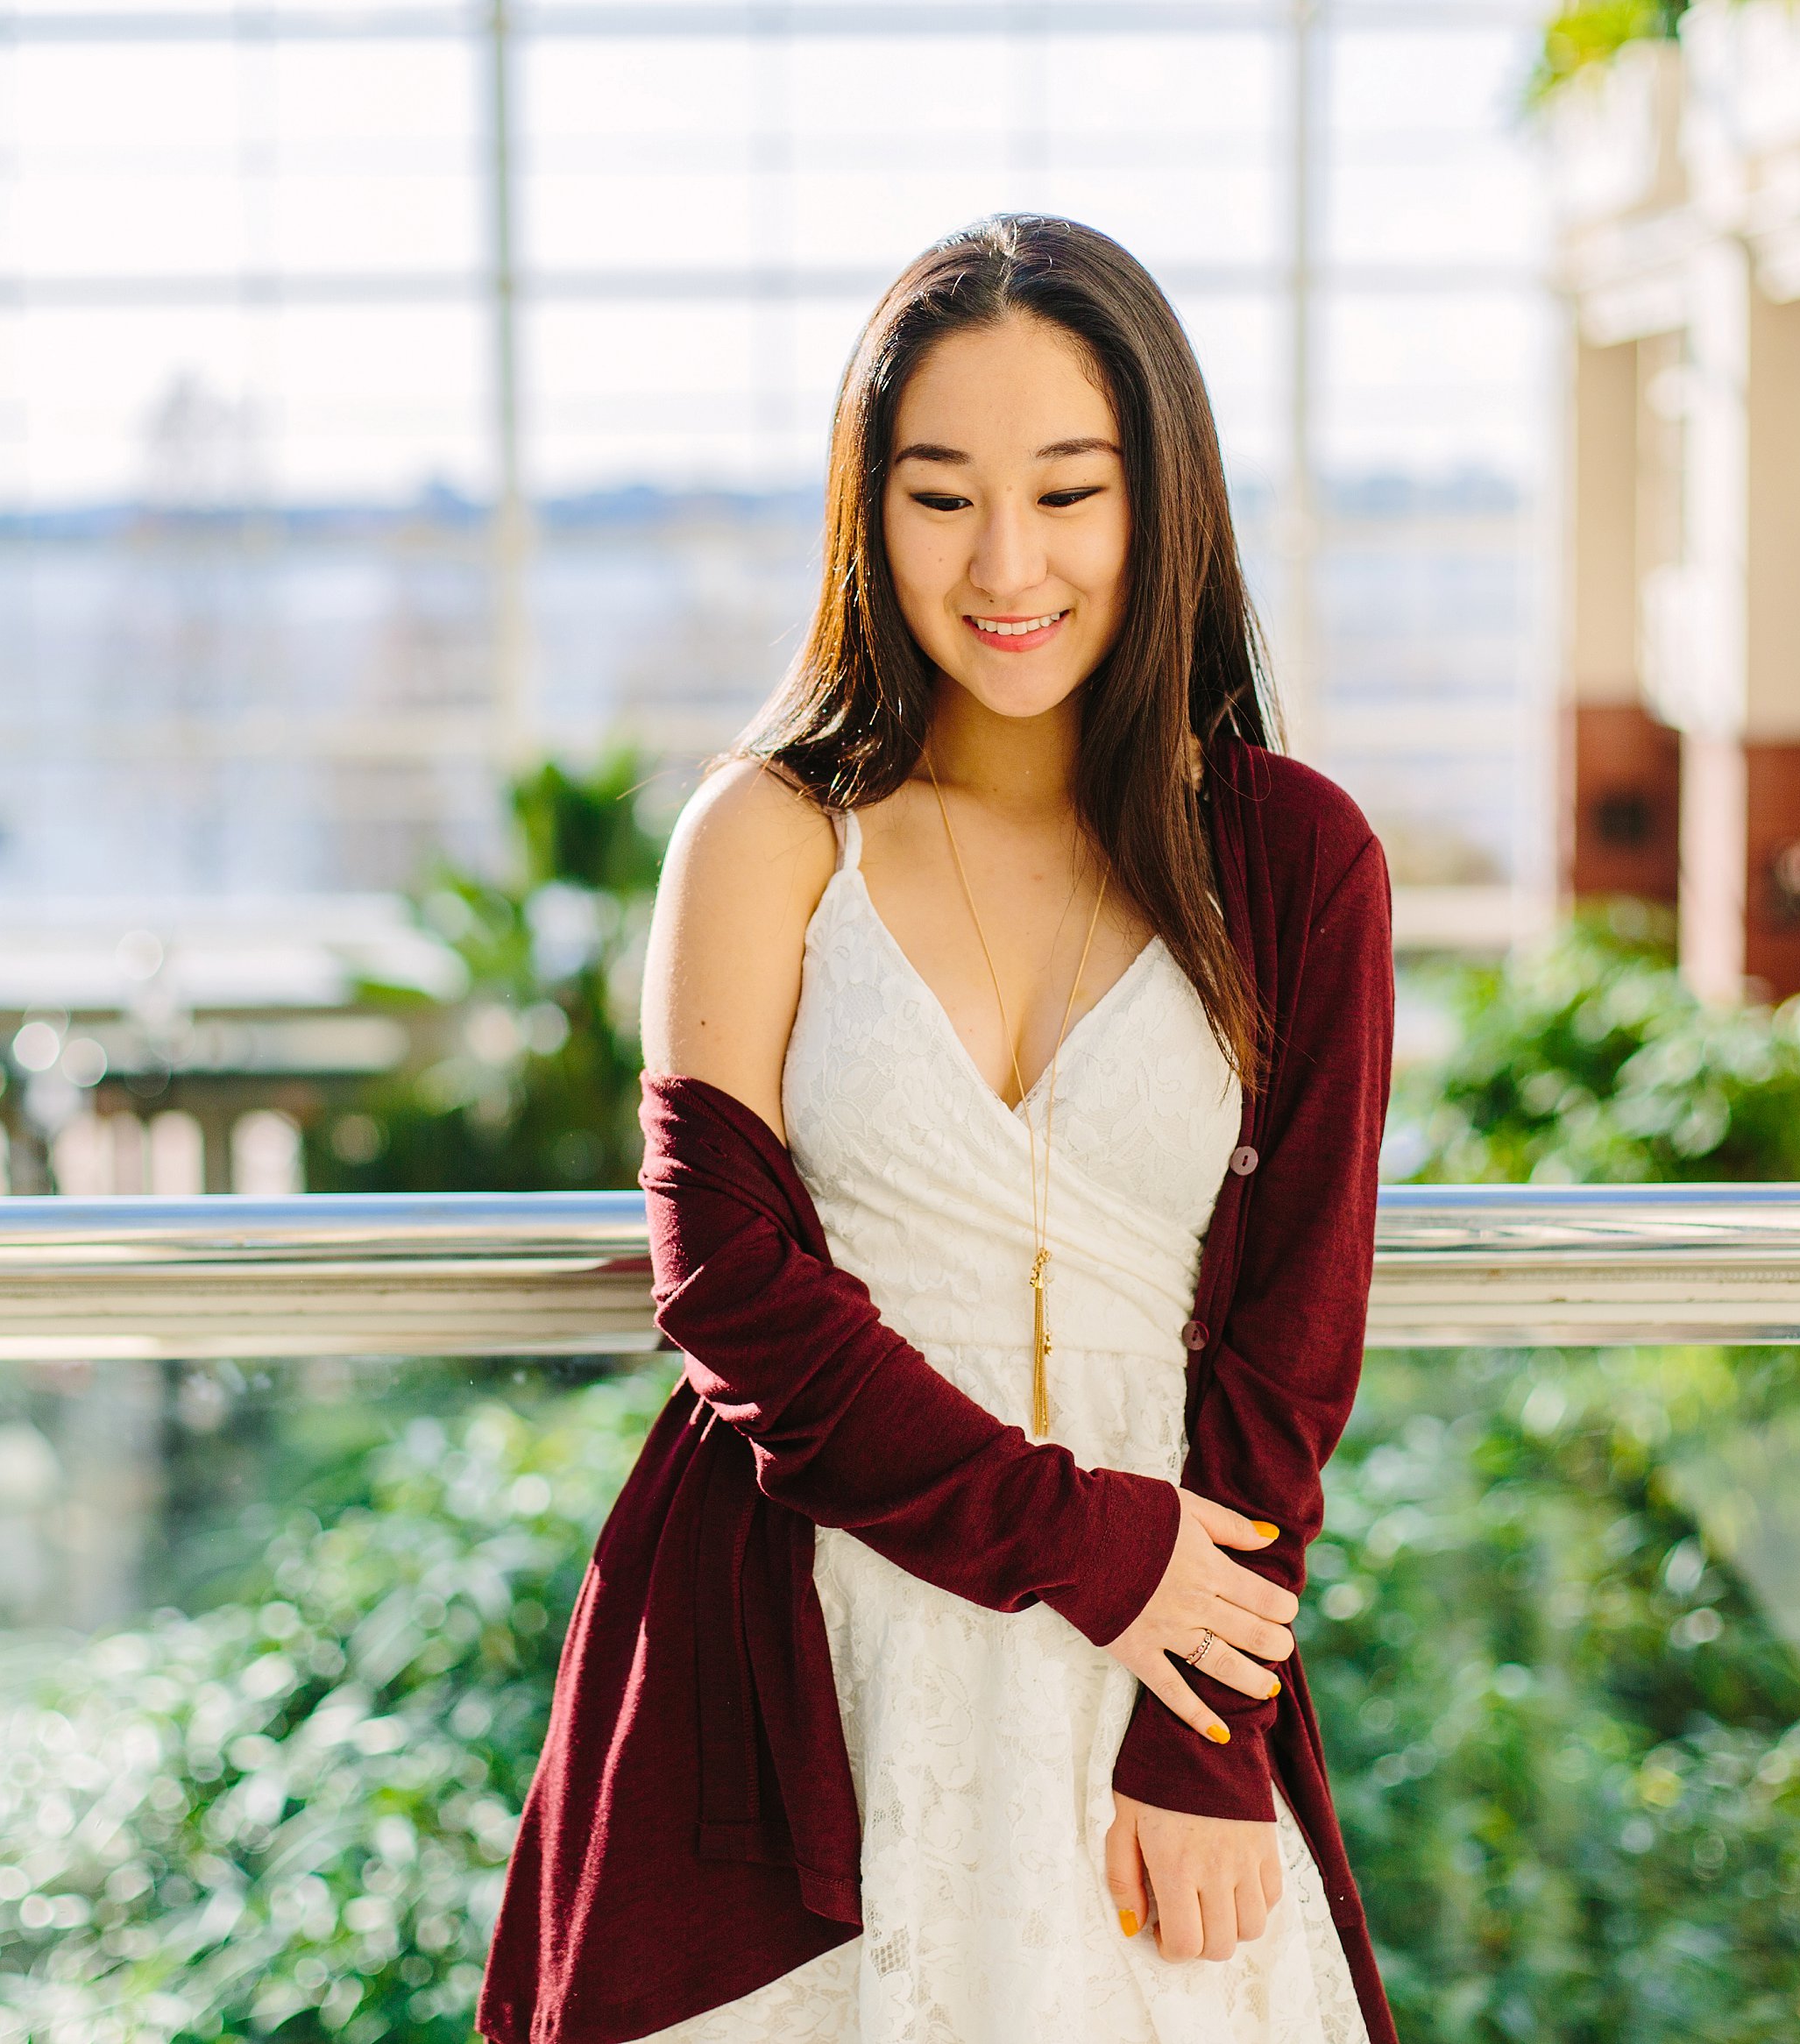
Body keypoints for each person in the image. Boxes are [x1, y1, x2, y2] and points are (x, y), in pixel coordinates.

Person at [480, 215, 1396, 2044]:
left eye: (1070, 493)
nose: (1005, 566)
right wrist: (1088, 1546)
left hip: (1163, 1647)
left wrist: (1202, 1734)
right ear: (862, 512)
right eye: (938, 497)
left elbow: (1293, 1346)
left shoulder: (1295, 858)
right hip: (810, 1623)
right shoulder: (766, 832)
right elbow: (728, 1287)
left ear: (1163, 503)